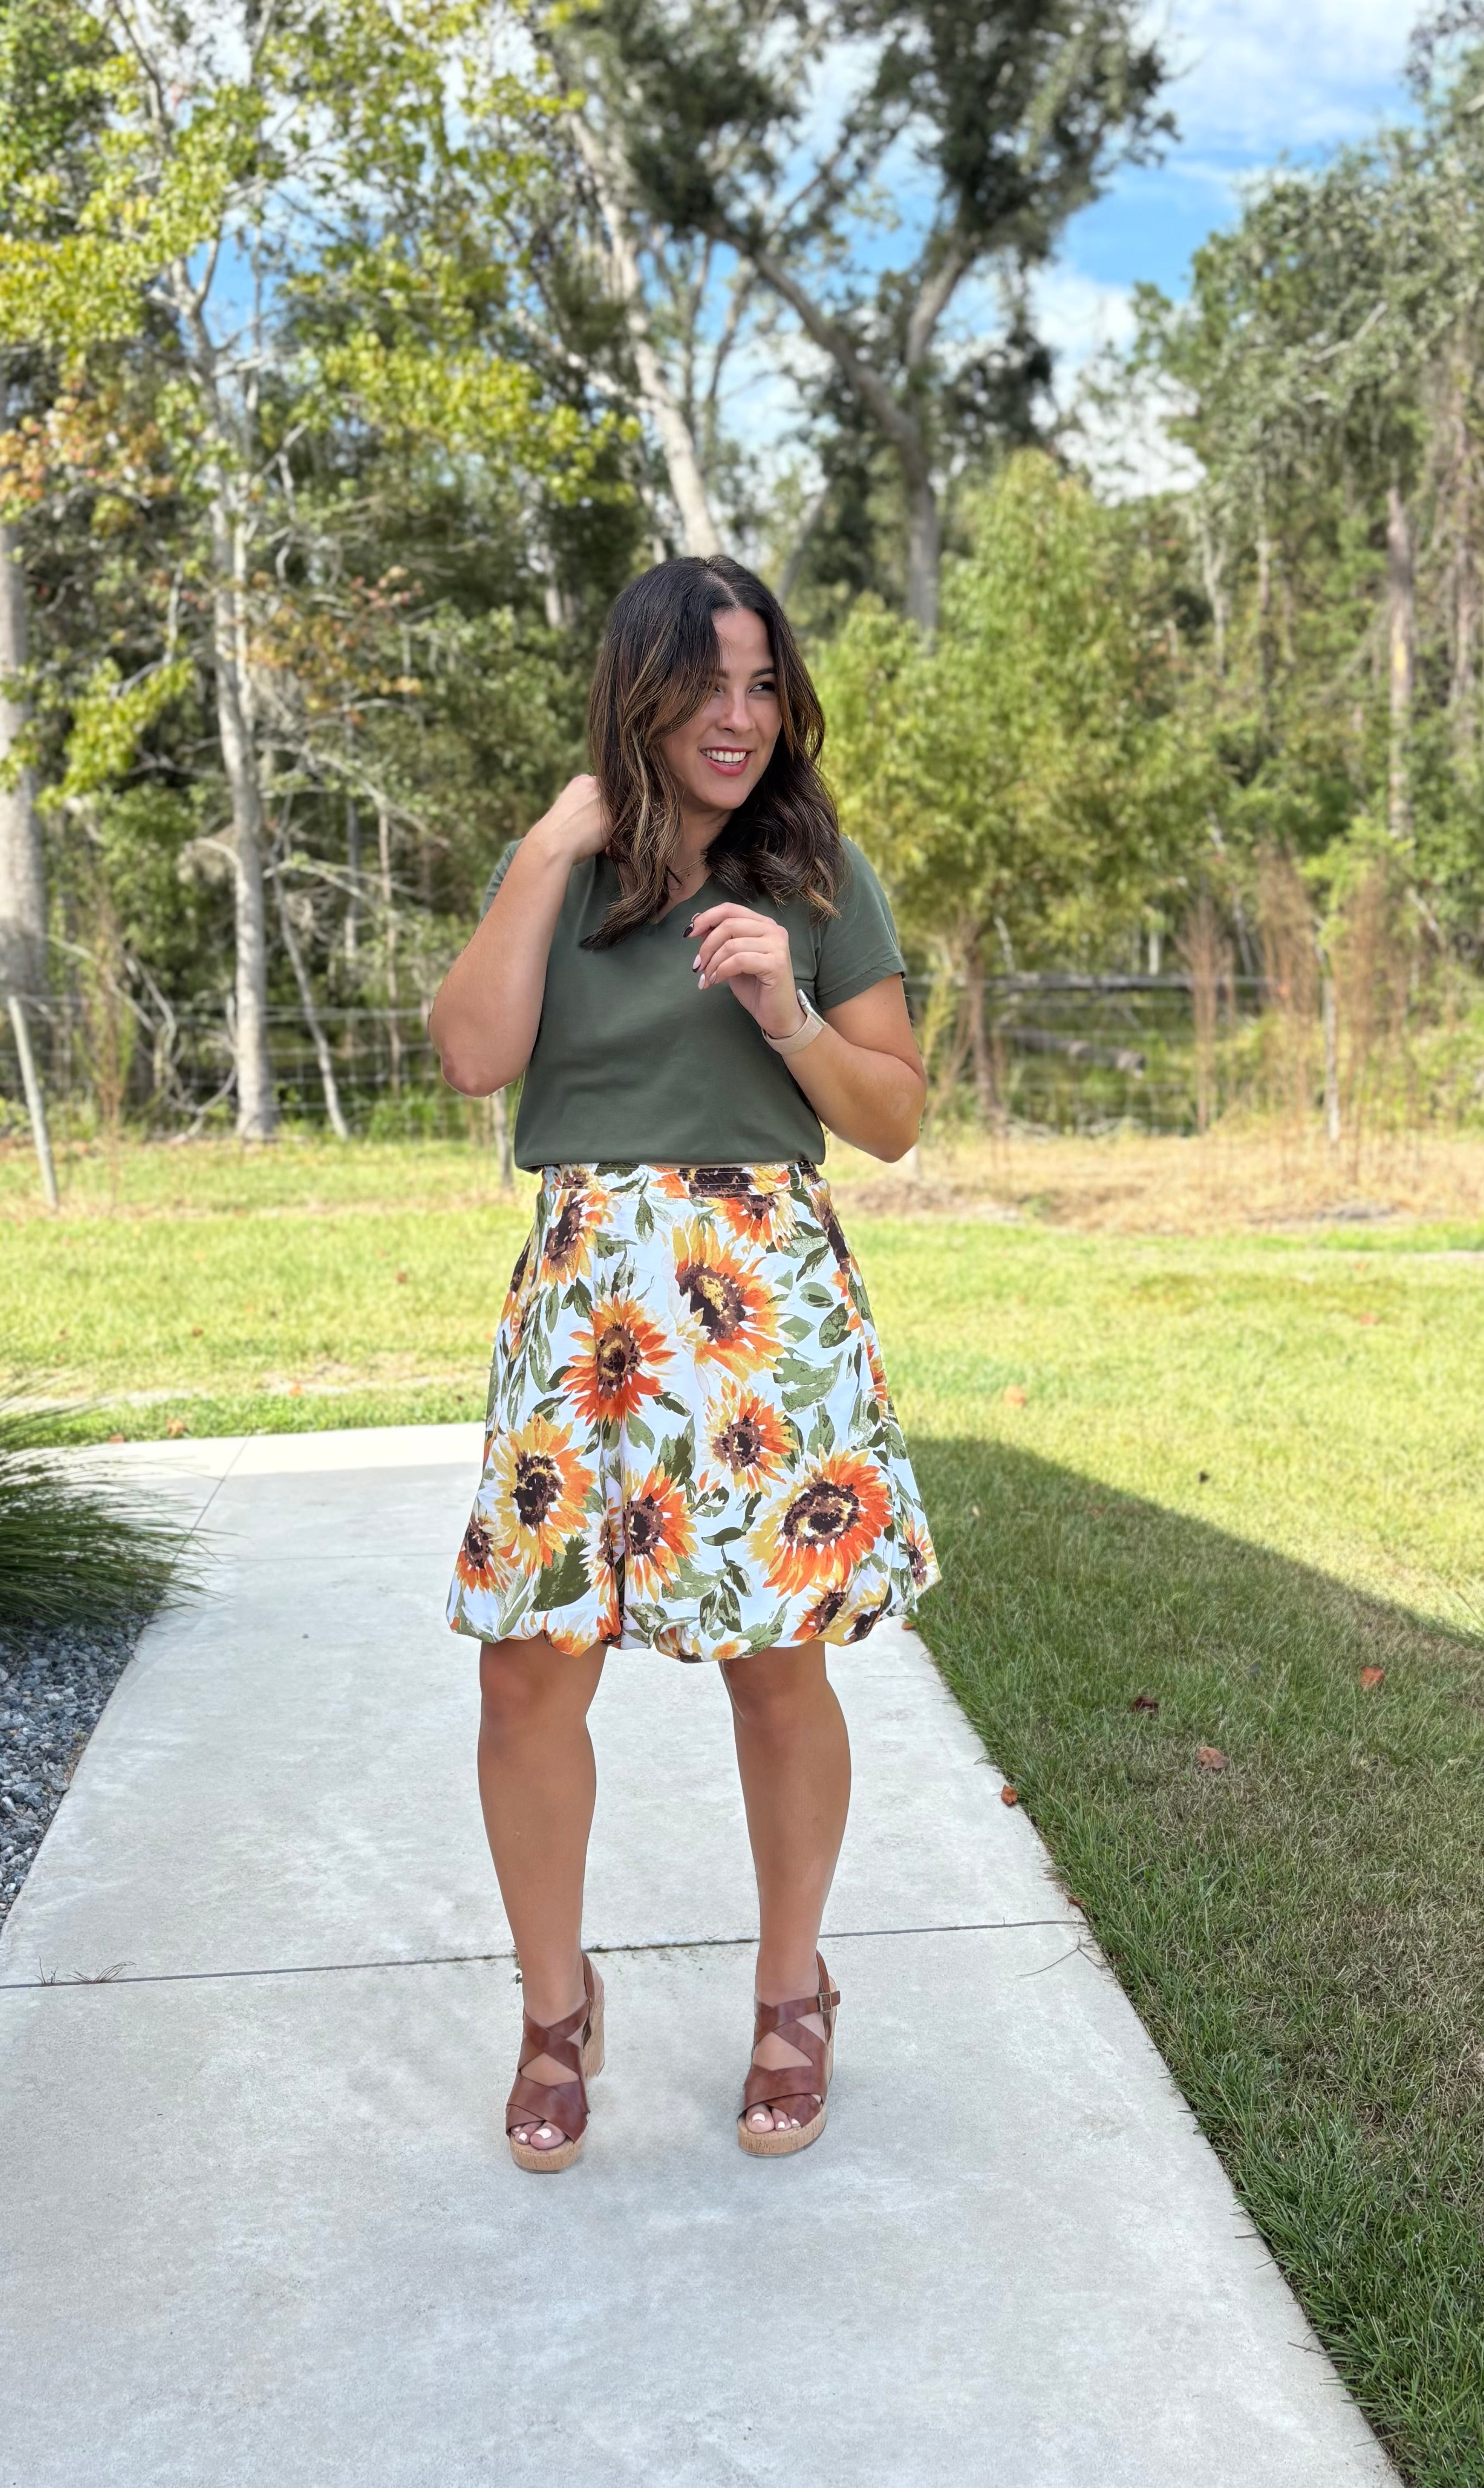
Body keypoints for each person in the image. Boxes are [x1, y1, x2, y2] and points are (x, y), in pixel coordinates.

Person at [429, 554, 938, 2172]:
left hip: (759, 1284)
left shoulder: (815, 867)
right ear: (637, 691)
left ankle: (793, 1994)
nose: (737, 715)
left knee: (774, 1658)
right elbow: (471, 1055)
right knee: (527, 1665)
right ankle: (553, 2009)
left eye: (762, 683)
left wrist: (791, 1012)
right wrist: (539, 849)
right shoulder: (565, 866)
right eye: (706, 682)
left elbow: (896, 1117)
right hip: (586, 1295)